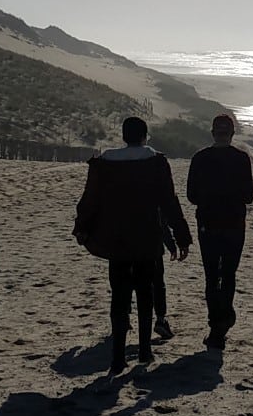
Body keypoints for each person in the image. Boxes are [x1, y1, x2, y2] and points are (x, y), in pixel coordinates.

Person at [75, 117, 192, 375]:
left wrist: (81, 228)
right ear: (144, 136)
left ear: (124, 136)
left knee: (119, 296)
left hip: (116, 238)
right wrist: (182, 235)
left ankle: (117, 357)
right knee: (145, 293)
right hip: (147, 236)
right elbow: (169, 202)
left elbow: (90, 198)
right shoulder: (156, 162)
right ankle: (144, 351)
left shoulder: (105, 164)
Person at [187, 114, 253, 350]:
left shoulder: (200, 158)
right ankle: (222, 320)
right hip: (234, 224)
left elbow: (191, 196)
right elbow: (249, 196)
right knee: (228, 273)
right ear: (232, 134)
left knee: (211, 275)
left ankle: (216, 323)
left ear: (213, 133)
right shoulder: (241, 159)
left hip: (208, 223)